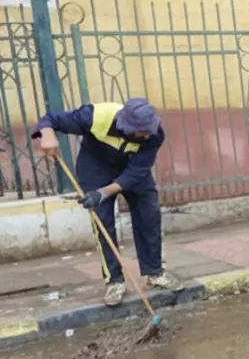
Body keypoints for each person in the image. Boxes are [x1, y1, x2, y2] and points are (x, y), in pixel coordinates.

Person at [32, 98, 181, 307]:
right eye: (143, 132)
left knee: (149, 215)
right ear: (127, 126)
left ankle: (154, 272)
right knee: (102, 223)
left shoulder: (155, 133)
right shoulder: (95, 117)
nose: (148, 135)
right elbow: (51, 119)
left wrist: (104, 192)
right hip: (96, 168)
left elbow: (136, 172)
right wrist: (47, 136)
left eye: (149, 130)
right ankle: (114, 281)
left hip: (132, 170)